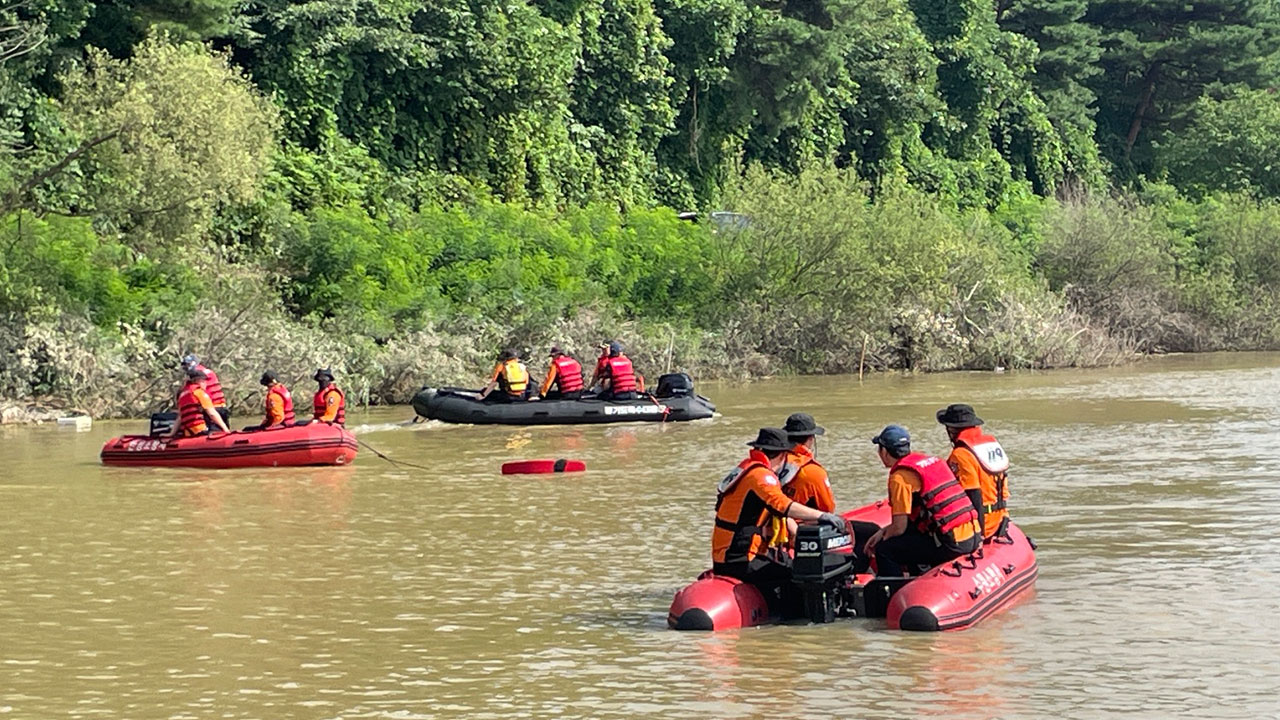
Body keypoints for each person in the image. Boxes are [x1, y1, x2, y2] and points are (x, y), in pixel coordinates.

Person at [713, 427, 848, 600]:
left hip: (728, 554)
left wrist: (799, 538)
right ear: (783, 455)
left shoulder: (747, 468)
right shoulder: (761, 477)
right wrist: (822, 516)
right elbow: (783, 506)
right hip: (739, 559)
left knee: (789, 564)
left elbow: (781, 513)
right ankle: (793, 621)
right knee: (799, 577)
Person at [863, 425, 980, 577]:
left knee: (885, 550)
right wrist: (882, 532)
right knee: (910, 537)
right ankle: (919, 575)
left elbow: (899, 528)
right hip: (972, 534)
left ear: (884, 451)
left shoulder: (899, 478)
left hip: (951, 544)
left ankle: (894, 592)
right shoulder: (931, 462)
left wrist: (880, 539)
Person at [937, 403, 1010, 540]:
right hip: (1000, 520)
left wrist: (979, 535)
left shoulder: (961, 455)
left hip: (984, 525)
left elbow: (973, 494)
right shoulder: (990, 445)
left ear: (952, 429)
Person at [171, 368, 230, 437]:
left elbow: (180, 417)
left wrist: (171, 433)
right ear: (197, 381)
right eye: (204, 381)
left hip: (189, 432)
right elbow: (212, 413)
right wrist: (226, 430)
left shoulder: (182, 395)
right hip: (200, 430)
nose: (206, 384)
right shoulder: (198, 392)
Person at [181, 354, 228, 426]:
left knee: (216, 433)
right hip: (221, 407)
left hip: (213, 408)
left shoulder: (199, 375)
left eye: (188, 364)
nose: (186, 367)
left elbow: (198, 392)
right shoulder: (208, 372)